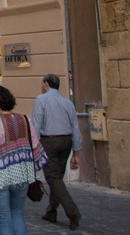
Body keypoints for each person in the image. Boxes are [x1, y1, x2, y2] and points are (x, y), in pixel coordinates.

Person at [0, 85, 47, 235]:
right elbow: (35, 145)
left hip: (1, 178)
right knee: (17, 215)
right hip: (23, 175)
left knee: (4, 218)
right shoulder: (25, 119)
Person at [33, 74, 82, 230]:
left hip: (50, 141)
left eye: (42, 83)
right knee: (57, 178)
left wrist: (34, 146)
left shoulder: (41, 100)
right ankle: (51, 211)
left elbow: (36, 125)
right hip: (66, 141)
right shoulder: (67, 102)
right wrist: (76, 152)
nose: (41, 85)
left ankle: (72, 211)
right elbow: (75, 127)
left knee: (53, 178)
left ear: (46, 84)